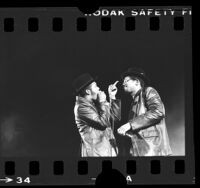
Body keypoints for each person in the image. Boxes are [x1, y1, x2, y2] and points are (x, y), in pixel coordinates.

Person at [117, 68, 172, 156]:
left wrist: (130, 125)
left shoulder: (148, 91)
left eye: (126, 80)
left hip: (154, 150)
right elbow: (139, 128)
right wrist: (127, 132)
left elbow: (158, 112)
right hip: (140, 151)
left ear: (137, 82)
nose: (123, 83)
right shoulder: (133, 104)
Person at [73, 73, 121, 157]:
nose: (99, 88)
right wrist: (103, 102)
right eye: (95, 86)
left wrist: (112, 96)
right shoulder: (81, 107)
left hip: (107, 152)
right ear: (88, 91)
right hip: (96, 155)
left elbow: (115, 119)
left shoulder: (94, 104)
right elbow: (102, 123)